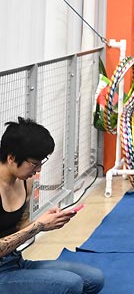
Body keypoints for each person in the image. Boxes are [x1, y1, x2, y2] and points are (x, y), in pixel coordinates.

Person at [0, 117, 105, 293]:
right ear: (11, 158)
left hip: (15, 262)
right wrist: (39, 226)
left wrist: (47, 221)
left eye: (41, 163)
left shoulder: (25, 182)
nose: (38, 170)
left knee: (94, 279)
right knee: (71, 284)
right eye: (34, 164)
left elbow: (20, 228)